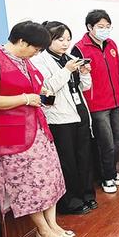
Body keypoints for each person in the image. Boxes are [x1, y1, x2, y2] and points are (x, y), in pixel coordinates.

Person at [0, 21, 72, 237]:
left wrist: (41, 94)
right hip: (12, 137)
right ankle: (42, 229)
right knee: (27, 184)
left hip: (38, 131)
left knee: (49, 178)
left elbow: (37, 88)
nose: (37, 53)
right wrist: (26, 98)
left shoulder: (25, 61)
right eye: (36, 49)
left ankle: (52, 224)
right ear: (21, 42)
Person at [31, 21, 96, 215]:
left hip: (80, 112)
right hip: (59, 118)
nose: (65, 43)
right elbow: (47, 89)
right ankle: (71, 202)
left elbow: (83, 87)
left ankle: (87, 195)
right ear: (48, 40)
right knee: (68, 161)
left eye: (68, 39)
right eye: (60, 39)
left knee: (84, 157)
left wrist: (85, 74)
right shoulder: (39, 61)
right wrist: (66, 70)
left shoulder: (71, 58)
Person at [72, 9, 119, 193]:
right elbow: (78, 79)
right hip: (96, 104)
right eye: (100, 26)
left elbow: (116, 71)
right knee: (106, 143)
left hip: (115, 100)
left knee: (118, 140)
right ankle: (107, 178)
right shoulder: (79, 49)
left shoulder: (111, 44)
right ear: (90, 27)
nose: (105, 30)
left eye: (108, 26)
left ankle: (113, 172)